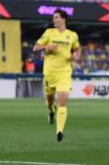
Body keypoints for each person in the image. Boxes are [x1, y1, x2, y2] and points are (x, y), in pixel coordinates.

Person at [33, 9, 80, 142]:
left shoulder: (72, 35)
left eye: (56, 17)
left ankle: (59, 131)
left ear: (63, 19)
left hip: (64, 72)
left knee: (62, 101)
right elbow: (35, 48)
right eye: (53, 18)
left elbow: (77, 48)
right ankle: (51, 111)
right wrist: (46, 47)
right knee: (50, 100)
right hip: (50, 72)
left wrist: (76, 56)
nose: (54, 20)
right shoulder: (49, 33)